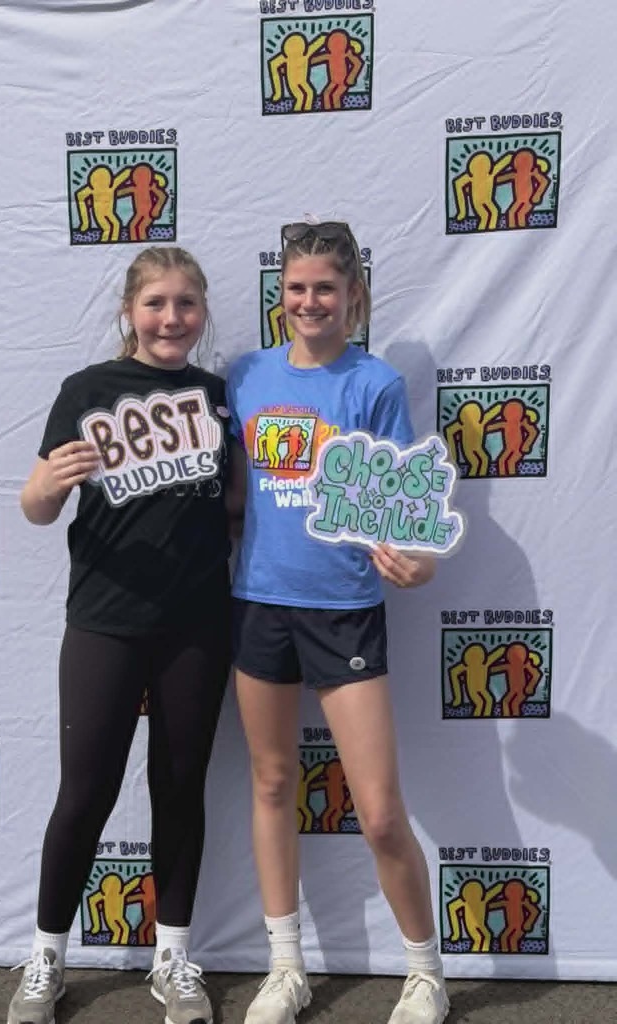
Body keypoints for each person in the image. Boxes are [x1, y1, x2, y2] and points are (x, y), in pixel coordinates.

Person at [226, 221, 450, 1024]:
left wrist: (417, 565)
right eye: (297, 288)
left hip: (346, 612)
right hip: (259, 605)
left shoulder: (375, 384)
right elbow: (227, 493)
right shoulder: (245, 375)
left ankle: (426, 974)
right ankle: (286, 968)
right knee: (271, 782)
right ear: (280, 294)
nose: (310, 301)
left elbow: (405, 519)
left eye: (325, 287)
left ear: (353, 295)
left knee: (380, 813)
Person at [7, 246, 232, 1024]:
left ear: (202, 313)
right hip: (105, 620)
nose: (172, 318)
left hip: (198, 624)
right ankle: (46, 958)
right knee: (85, 792)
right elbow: (38, 507)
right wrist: (45, 485)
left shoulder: (217, 397)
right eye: (156, 303)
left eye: (186, 304)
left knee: (179, 787)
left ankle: (174, 958)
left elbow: (238, 503)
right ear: (129, 311)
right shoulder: (87, 390)